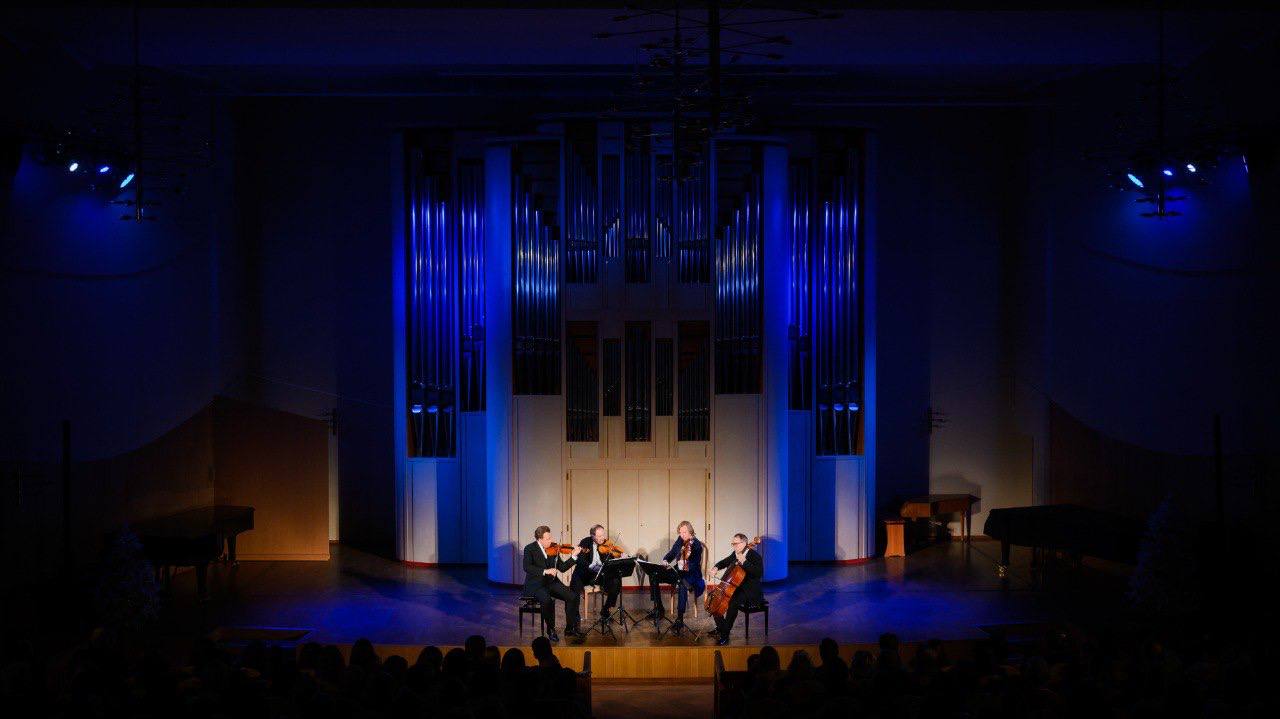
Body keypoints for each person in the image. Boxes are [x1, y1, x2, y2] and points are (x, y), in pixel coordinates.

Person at [522, 525, 584, 642]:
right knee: (547, 600)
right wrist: (545, 571)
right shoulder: (529, 549)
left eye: (550, 538)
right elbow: (527, 567)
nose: (550, 541)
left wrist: (574, 556)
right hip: (537, 585)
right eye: (547, 539)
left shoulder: (553, 549)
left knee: (572, 597)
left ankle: (569, 628)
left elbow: (563, 567)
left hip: (551, 583)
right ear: (539, 539)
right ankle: (551, 629)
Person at [647, 520, 705, 628]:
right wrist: (666, 560)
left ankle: (680, 618)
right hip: (678, 570)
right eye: (680, 532)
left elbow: (695, 564)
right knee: (654, 575)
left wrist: (684, 565)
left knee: (682, 583)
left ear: (690, 532)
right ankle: (659, 608)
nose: (682, 535)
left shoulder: (696, 545)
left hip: (691, 573)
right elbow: (673, 552)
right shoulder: (680, 539)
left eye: (684, 532)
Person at [711, 533, 764, 646]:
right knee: (715, 599)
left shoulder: (755, 556)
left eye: (736, 543)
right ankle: (721, 628)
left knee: (733, 602)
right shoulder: (736, 554)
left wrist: (744, 562)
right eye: (733, 544)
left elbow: (759, 574)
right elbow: (725, 562)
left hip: (749, 590)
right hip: (736, 587)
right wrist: (716, 567)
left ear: (744, 543)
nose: (734, 546)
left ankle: (725, 634)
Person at [568, 524, 625, 626]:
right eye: (599, 536)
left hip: (599, 574)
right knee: (575, 586)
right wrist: (589, 566)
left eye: (603, 535)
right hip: (585, 573)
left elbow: (611, 561)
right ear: (592, 536)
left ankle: (605, 610)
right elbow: (580, 560)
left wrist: (621, 557)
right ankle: (574, 618)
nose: (602, 538)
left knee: (616, 581)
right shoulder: (585, 542)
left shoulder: (607, 545)